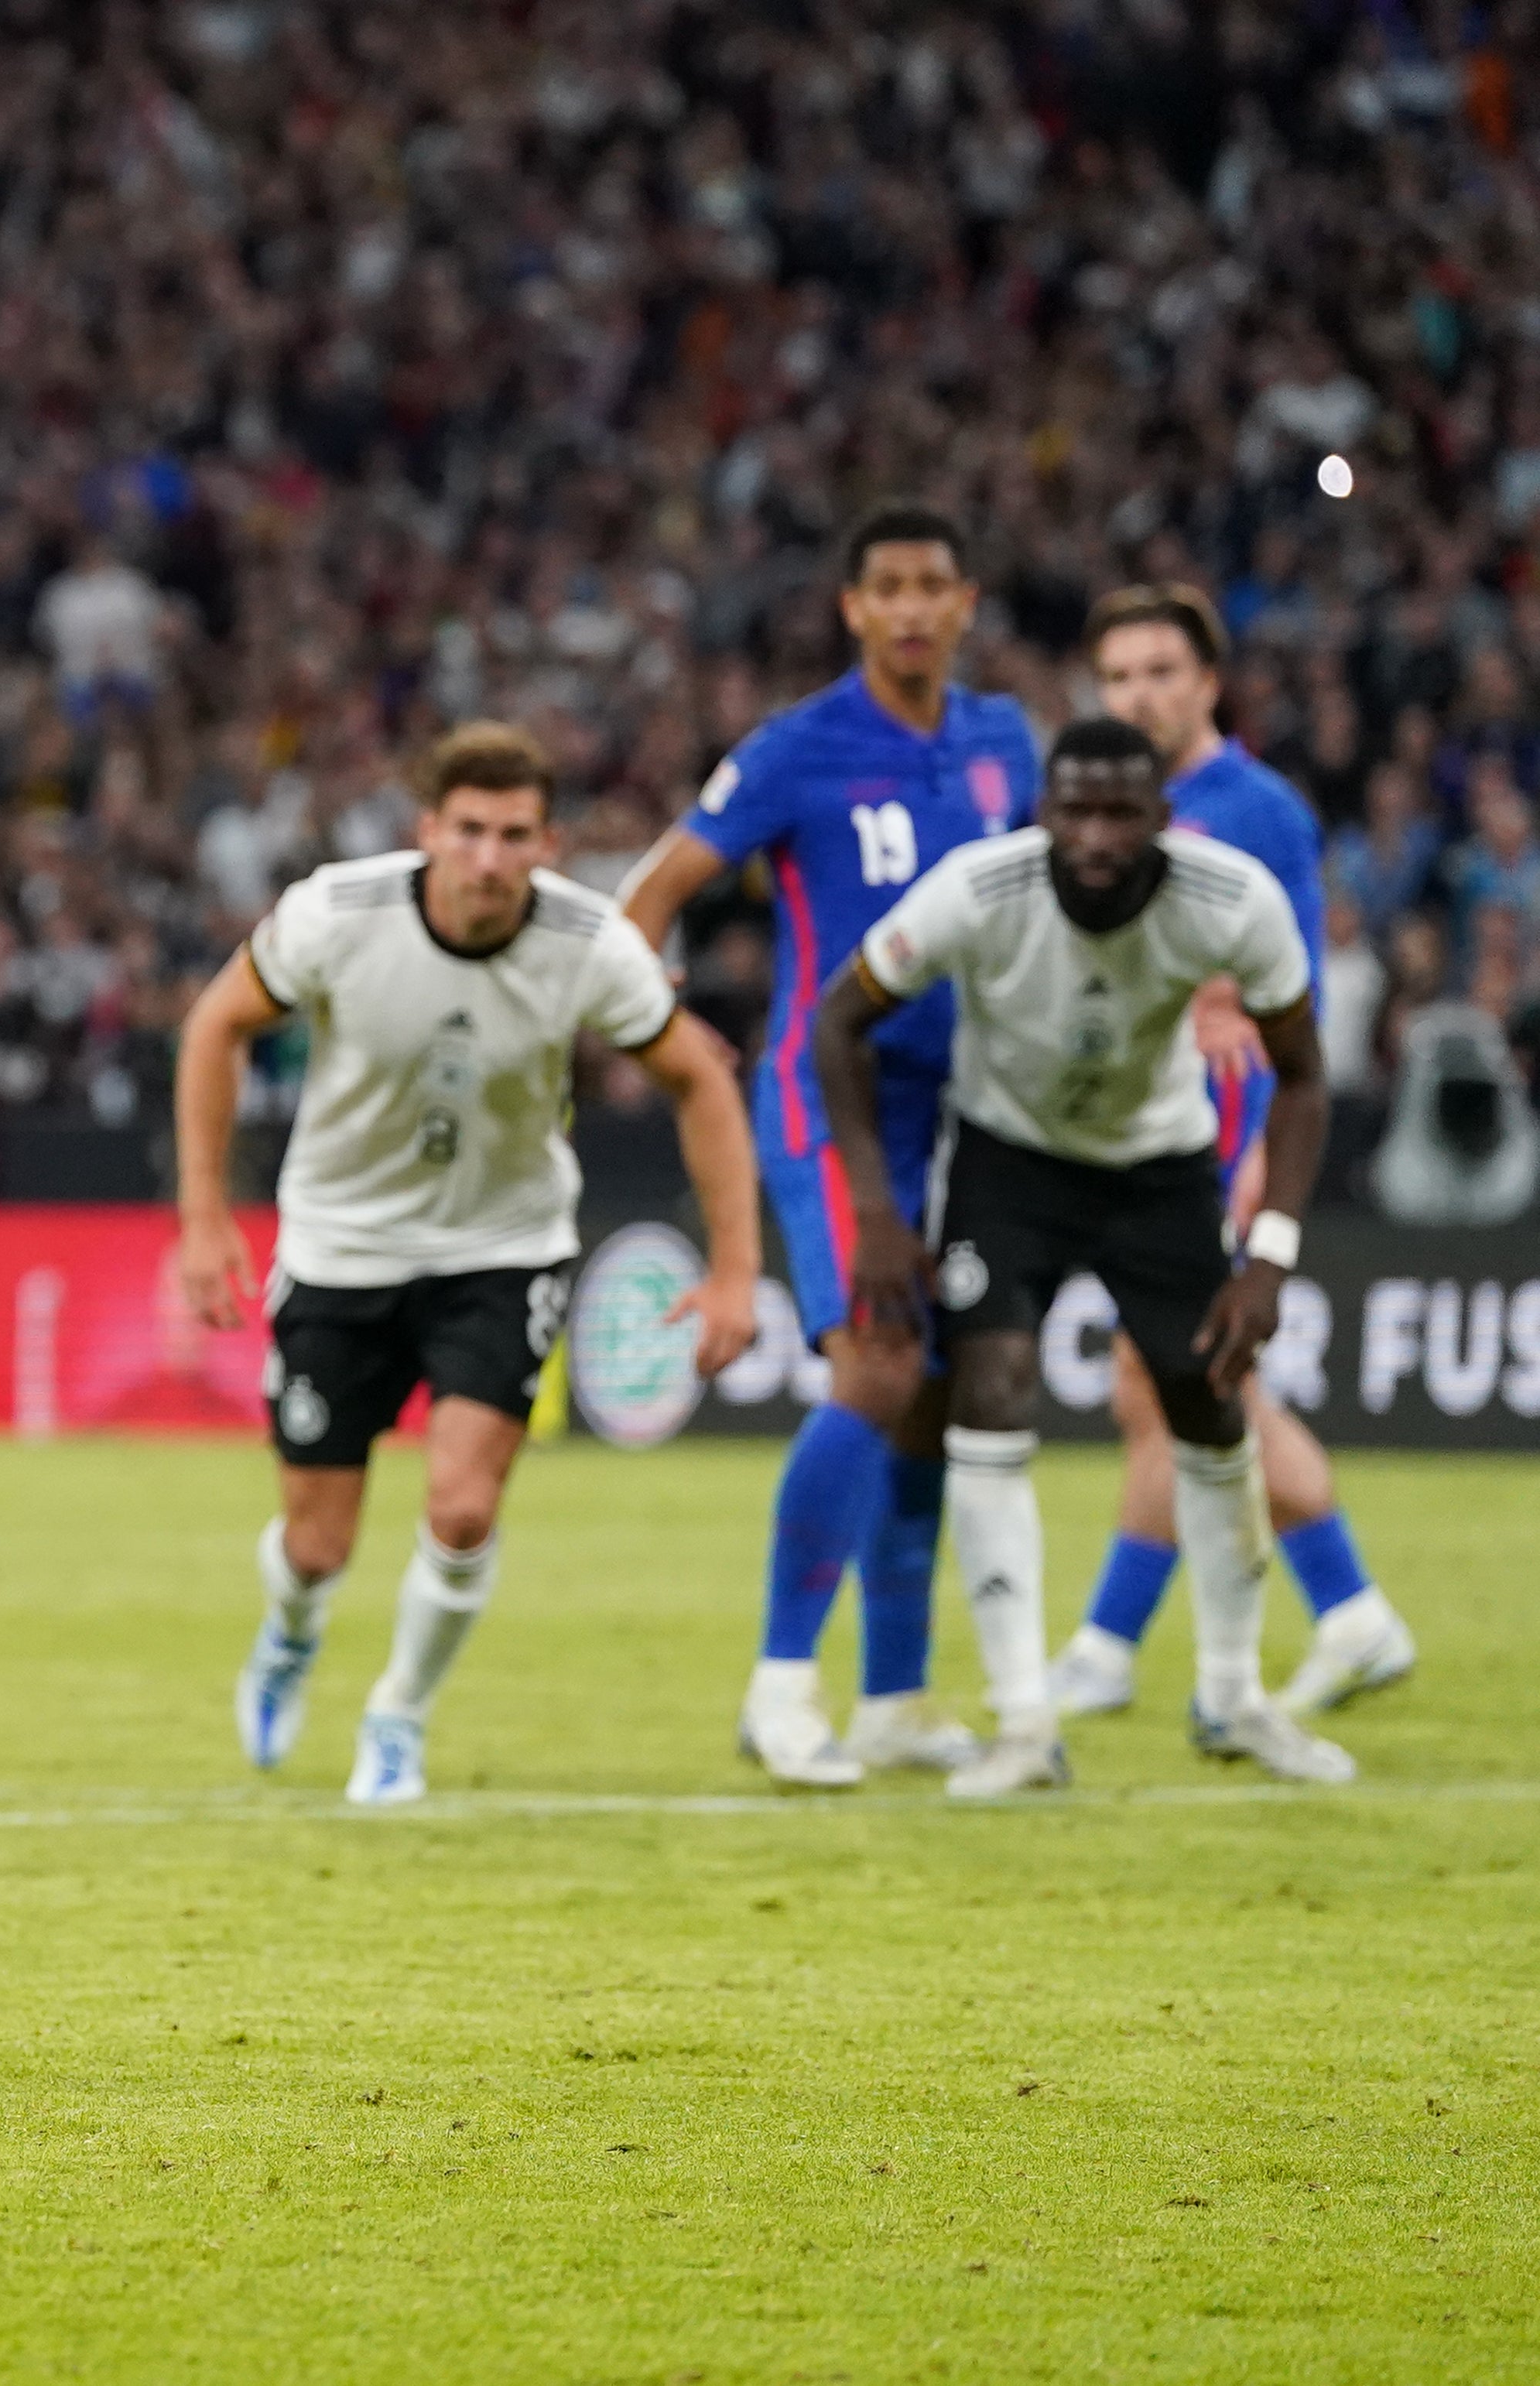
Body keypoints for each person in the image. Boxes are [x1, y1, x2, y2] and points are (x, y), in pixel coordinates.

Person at [176, 721, 763, 1806]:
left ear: (549, 843)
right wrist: (206, 1219)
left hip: (503, 1250)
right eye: (470, 832)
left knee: (461, 1509)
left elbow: (702, 1080)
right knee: (317, 1543)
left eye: (514, 835)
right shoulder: (336, 913)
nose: (490, 858)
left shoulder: (589, 943)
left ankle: (397, 1714)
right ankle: (293, 1635)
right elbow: (217, 1024)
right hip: (341, 1248)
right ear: (428, 833)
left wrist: (735, 1270)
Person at [814, 717, 1353, 1797]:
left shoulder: (1231, 897)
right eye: (1078, 811)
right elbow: (838, 1024)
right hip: (1009, 1165)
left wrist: (1272, 1254)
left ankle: (1234, 1696)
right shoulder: (978, 889)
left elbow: (1302, 1076)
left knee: (1209, 1400)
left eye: (1122, 813)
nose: (1098, 835)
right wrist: (875, 1211)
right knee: (992, 1387)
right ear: (1045, 813)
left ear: (1161, 818)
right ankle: (1023, 1722)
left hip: (1157, 1168)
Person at [614, 505, 1040, 1789]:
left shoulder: (1004, 742)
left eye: (933, 586)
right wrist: (667, 1043)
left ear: (967, 601)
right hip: (826, 1097)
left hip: (970, 1104)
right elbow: (650, 900)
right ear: (852, 610)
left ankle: (899, 1697)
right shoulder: (796, 750)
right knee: (874, 1362)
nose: (912, 609)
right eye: (887, 589)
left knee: (930, 1394)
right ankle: (780, 1687)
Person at [1052, 587, 1417, 1717]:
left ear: (1208, 682)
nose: (1140, 694)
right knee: (1170, 1385)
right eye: (1119, 676)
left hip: (1221, 1130)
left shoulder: (1256, 808)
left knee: (1182, 1378)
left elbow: (1287, 996)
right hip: (1138, 1124)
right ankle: (1348, 1614)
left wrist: (1263, 1156)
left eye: (1162, 671)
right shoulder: (1112, 807)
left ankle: (1113, 1647)